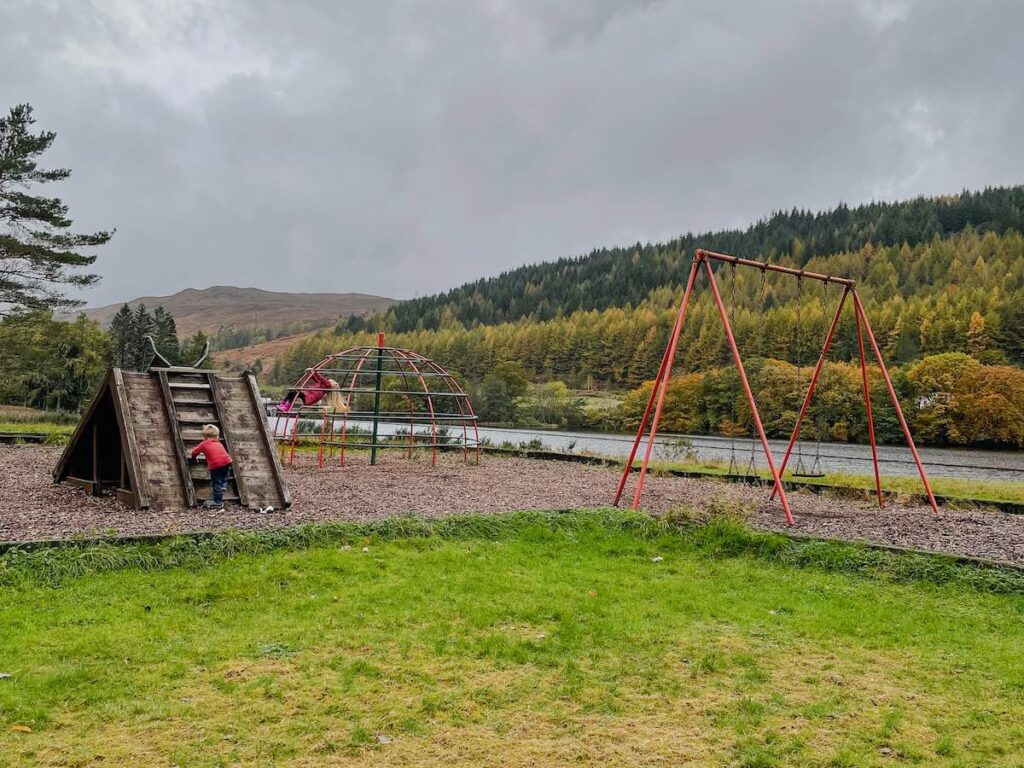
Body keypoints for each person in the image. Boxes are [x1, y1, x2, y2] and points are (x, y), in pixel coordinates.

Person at [190, 424, 233, 509]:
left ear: (204, 437)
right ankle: (224, 485)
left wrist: (193, 458)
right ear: (217, 436)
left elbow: (194, 452)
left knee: (216, 483)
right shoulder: (219, 443)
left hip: (215, 465)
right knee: (225, 474)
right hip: (227, 461)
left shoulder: (204, 444)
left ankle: (218, 502)